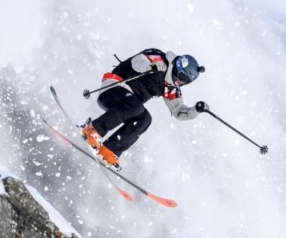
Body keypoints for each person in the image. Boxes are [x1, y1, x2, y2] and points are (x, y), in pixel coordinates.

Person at [81, 48, 209, 169]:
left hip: (128, 105)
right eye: (182, 77)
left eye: (185, 82)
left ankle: (109, 150)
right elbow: (137, 61)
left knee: (145, 119)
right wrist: (149, 66)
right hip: (113, 89)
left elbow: (178, 111)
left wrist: (196, 111)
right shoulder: (160, 59)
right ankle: (92, 130)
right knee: (136, 107)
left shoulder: (170, 87)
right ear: (178, 67)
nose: (180, 82)